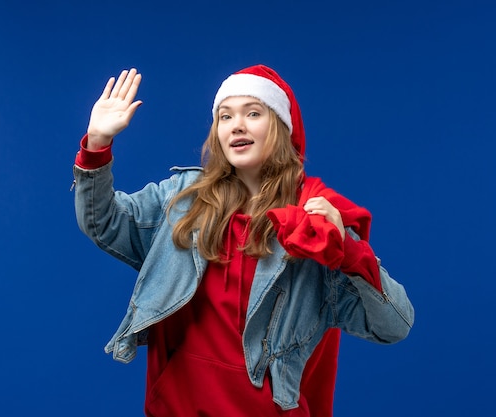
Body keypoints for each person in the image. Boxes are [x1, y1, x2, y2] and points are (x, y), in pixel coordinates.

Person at [73, 65, 414, 416]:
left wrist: (349, 250)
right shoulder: (181, 200)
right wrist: (97, 145)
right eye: (225, 116)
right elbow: (103, 222)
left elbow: (394, 325)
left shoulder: (315, 228)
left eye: (253, 113)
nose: (236, 125)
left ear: (281, 128)